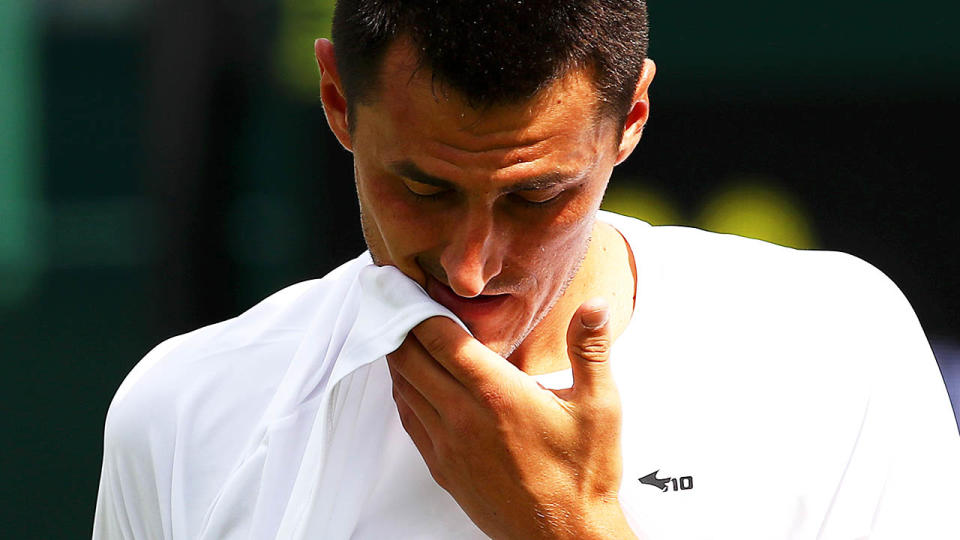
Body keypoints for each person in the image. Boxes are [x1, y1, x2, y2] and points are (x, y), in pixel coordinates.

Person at [94, 1, 960, 538]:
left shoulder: (843, 350)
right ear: (336, 102)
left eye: (536, 198)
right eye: (422, 188)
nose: (472, 269)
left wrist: (569, 528)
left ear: (633, 118)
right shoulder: (179, 412)